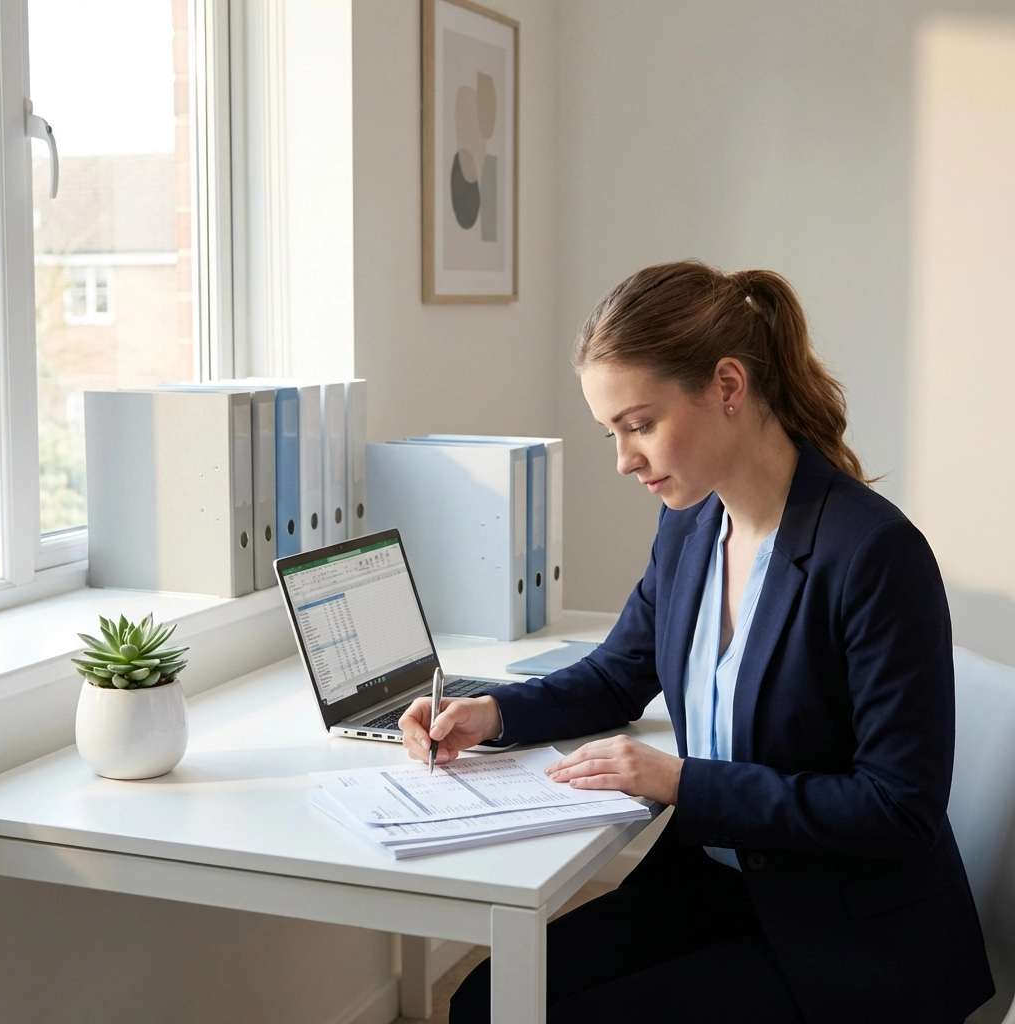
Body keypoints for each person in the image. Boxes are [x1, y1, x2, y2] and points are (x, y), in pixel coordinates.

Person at [399, 261, 995, 1024]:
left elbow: (896, 807)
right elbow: (618, 675)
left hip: (844, 932)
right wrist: (490, 714)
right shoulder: (689, 526)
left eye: (640, 425)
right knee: (486, 999)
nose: (623, 459)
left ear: (727, 386)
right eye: (612, 432)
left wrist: (678, 779)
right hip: (715, 885)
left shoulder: (874, 554)